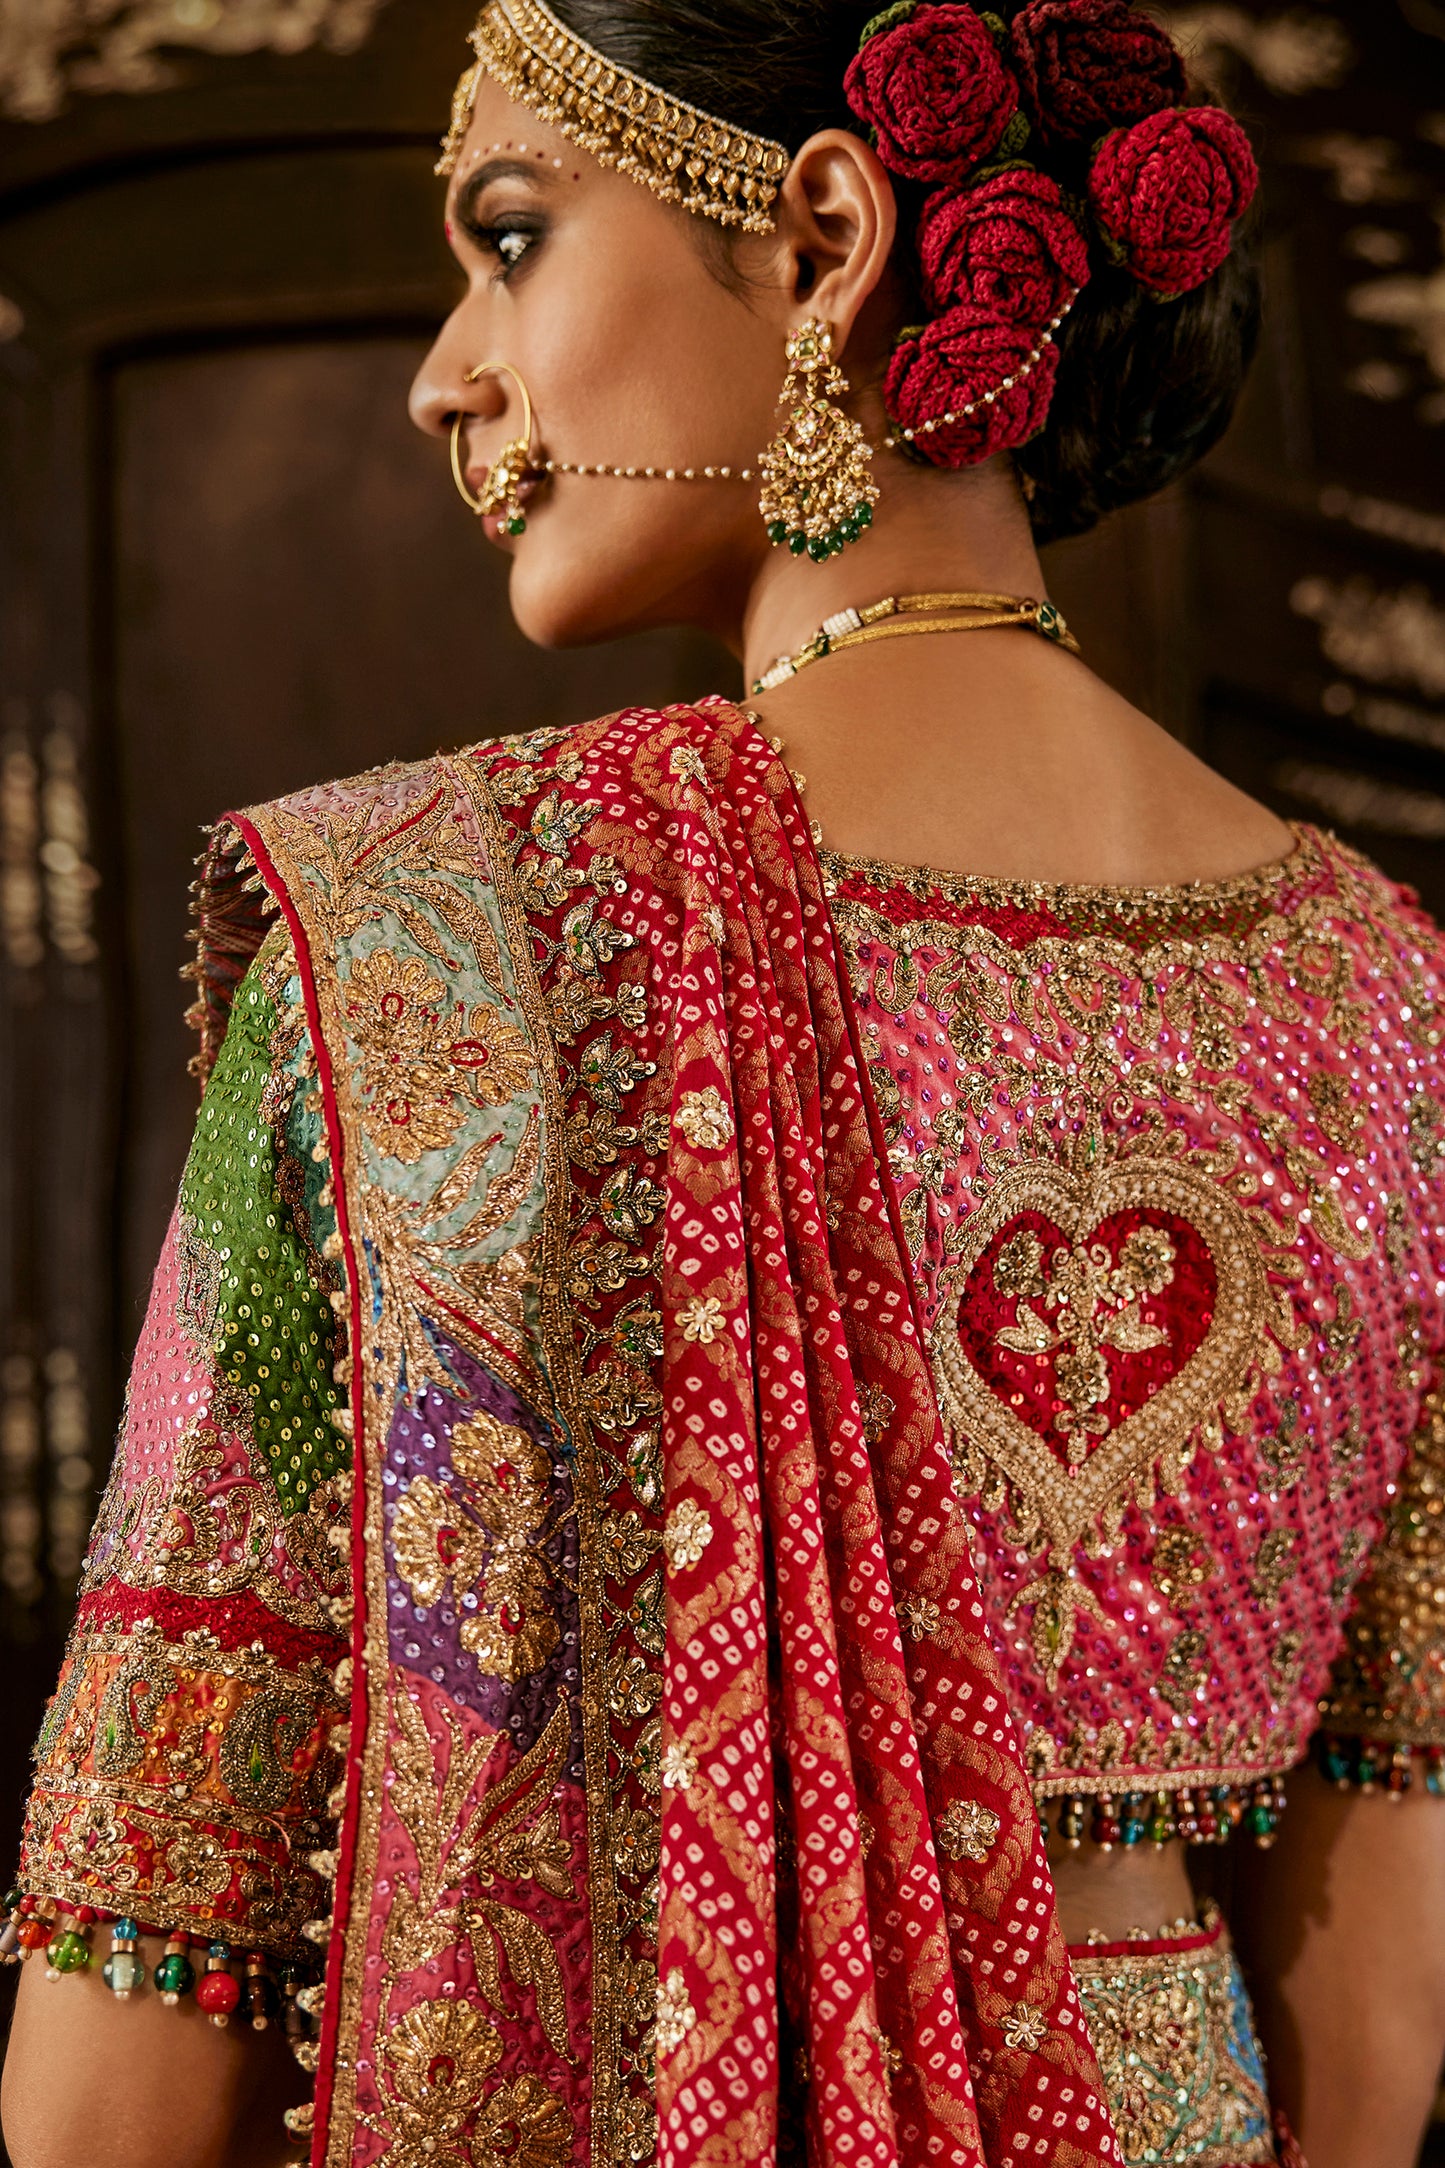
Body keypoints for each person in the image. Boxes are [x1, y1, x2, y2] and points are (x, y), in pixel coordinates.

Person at [3, 3, 1443, 2165]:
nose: (444, 373)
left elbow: (128, 2022)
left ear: (827, 241)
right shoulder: (1390, 1002)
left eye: (509, 236)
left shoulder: (422, 945)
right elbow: (1379, 2006)